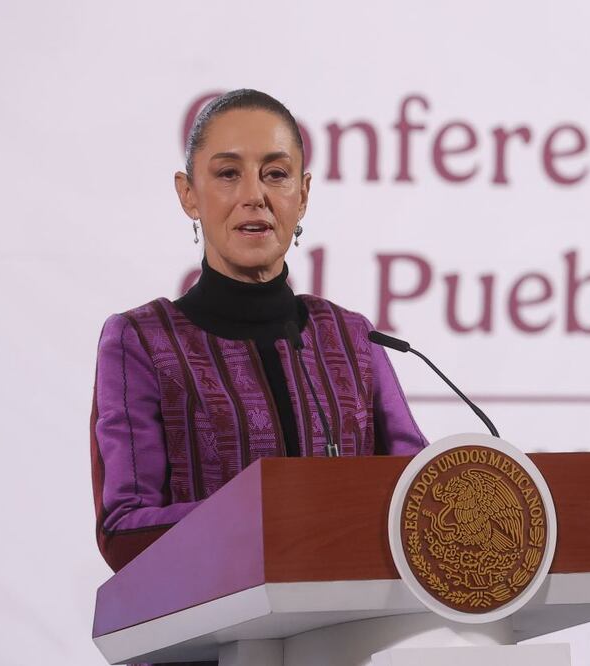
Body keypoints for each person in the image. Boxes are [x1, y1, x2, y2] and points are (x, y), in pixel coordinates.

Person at [90, 89, 428, 575]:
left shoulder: (353, 338)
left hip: (341, 640)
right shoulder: (141, 341)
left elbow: (418, 494)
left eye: (276, 174)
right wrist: (277, 519)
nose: (255, 196)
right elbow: (124, 531)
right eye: (228, 174)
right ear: (188, 194)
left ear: (303, 195)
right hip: (206, 643)